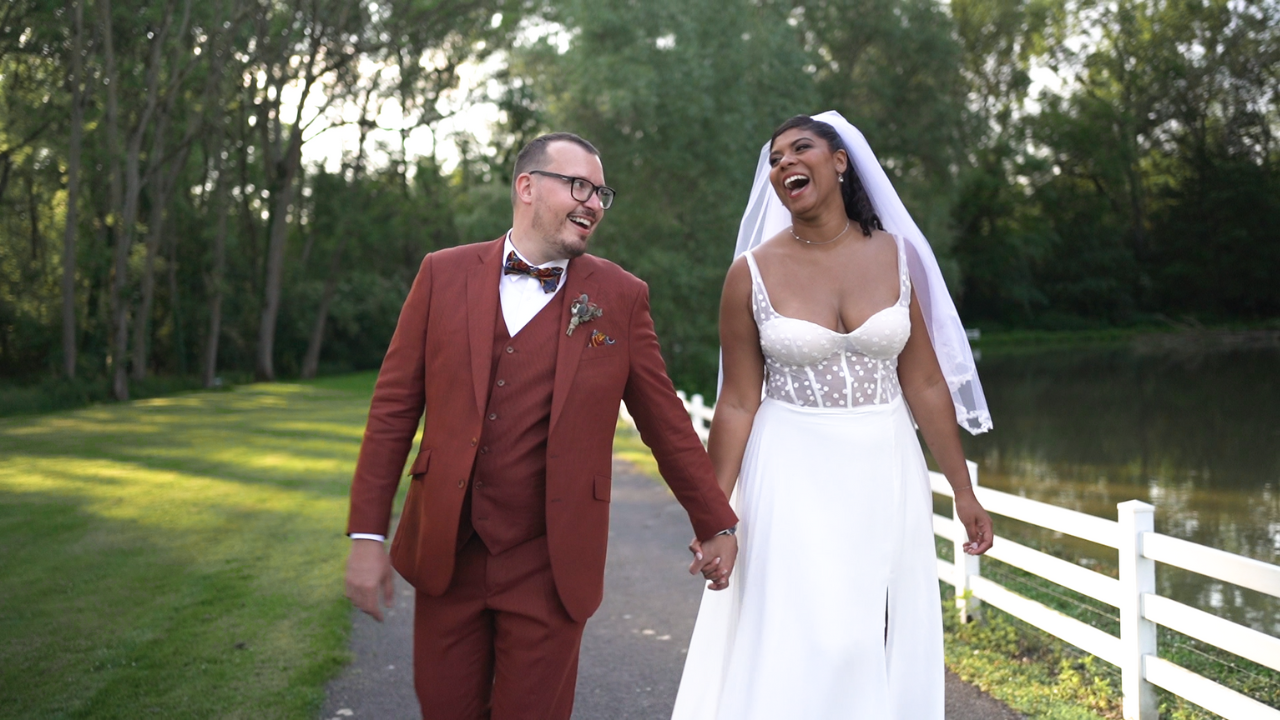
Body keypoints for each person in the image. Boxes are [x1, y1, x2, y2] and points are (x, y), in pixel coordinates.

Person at [344, 132, 740, 720]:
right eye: (579, 185)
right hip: (447, 551)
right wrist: (367, 537)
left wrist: (716, 523)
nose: (595, 203)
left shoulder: (619, 297)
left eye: (602, 192)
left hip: (551, 561)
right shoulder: (442, 274)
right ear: (527, 187)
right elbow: (393, 411)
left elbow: (667, 422)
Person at [670, 112, 995, 720]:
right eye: (774, 159)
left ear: (840, 162)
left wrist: (963, 490)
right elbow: (739, 402)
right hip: (791, 466)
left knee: (865, 634)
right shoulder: (751, 274)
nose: (785, 163)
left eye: (801, 149)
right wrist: (715, 518)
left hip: (883, 463)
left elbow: (923, 381)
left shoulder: (899, 257)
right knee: (806, 633)